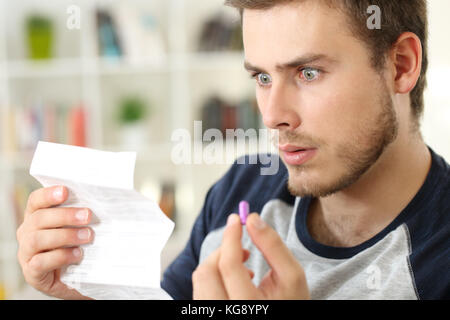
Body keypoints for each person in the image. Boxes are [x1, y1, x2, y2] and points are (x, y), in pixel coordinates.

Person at [16, 0, 449, 300]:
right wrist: (88, 291)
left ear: (401, 65)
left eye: (308, 72)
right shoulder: (243, 185)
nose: (272, 115)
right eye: (261, 78)